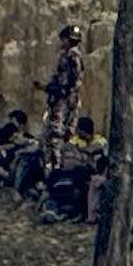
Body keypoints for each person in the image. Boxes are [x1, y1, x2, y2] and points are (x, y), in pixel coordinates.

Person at [34, 24, 84, 170]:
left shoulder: (70, 56)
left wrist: (46, 88)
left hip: (63, 102)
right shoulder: (75, 56)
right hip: (68, 101)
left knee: (55, 136)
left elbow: (66, 85)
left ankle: (55, 166)